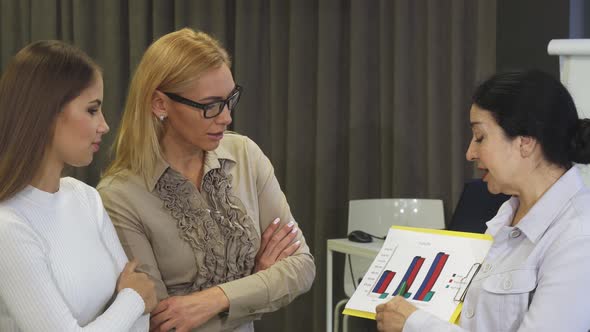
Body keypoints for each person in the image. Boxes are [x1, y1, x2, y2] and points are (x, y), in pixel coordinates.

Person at [97, 28, 315, 332]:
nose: (226, 117)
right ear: (160, 104)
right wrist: (260, 281)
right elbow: (163, 322)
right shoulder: (119, 195)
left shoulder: (245, 154)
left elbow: (302, 267)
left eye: (230, 100)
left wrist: (217, 299)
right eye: (210, 105)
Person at [375, 70, 590, 332]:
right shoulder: (504, 217)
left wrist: (416, 324)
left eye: (480, 137)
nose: (469, 153)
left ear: (525, 142)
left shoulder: (578, 237)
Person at [0, 41, 157, 331]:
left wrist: (131, 301)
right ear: (47, 113)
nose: (105, 126)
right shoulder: (8, 226)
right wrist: (132, 298)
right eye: (92, 110)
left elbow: (141, 319)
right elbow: (140, 295)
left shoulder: (86, 198)